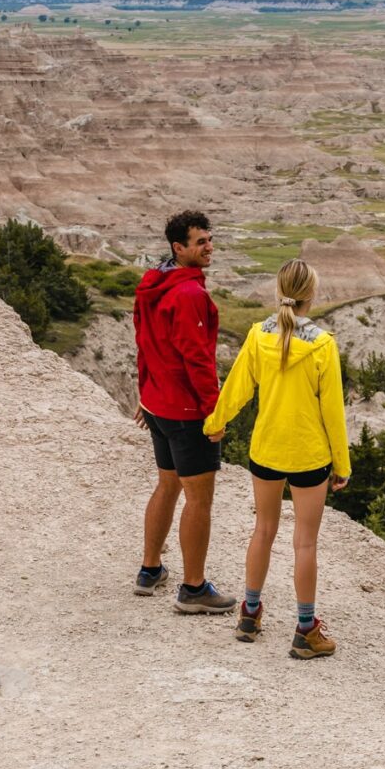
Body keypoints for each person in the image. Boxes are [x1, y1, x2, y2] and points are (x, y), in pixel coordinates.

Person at [204, 258, 350, 659]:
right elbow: (332, 412)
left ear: (278, 291)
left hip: (266, 449)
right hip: (308, 454)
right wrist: (342, 465)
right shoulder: (322, 344)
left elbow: (236, 388)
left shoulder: (257, 335)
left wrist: (216, 424)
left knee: (263, 530)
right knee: (304, 543)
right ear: (311, 295)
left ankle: (249, 614)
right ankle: (306, 630)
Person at [132, 210, 236, 615]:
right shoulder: (189, 294)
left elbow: (143, 342)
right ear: (179, 248)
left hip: (158, 404)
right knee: (200, 500)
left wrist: (145, 394)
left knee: (168, 485)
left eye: (210, 240)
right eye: (200, 243)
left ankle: (150, 570)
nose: (209, 248)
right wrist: (215, 414)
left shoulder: (151, 285)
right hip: (186, 411)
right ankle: (193, 589)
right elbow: (199, 361)